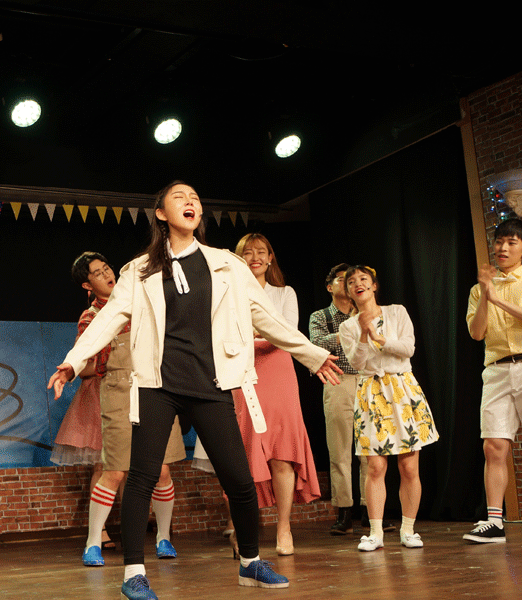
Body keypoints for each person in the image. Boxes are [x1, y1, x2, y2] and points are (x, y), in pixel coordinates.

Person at [48, 181, 342, 599]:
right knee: (142, 477)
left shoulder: (226, 264)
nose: (190, 202)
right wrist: (74, 361)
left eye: (196, 198)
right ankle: (134, 573)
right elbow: (109, 319)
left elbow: (266, 317)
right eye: (179, 198)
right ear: (161, 214)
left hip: (211, 382)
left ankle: (250, 563)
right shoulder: (139, 270)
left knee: (239, 479)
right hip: (158, 384)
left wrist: (311, 354)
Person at [54, 252, 185, 567]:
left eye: (107, 268)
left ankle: (163, 536)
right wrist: (78, 367)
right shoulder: (92, 317)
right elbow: (86, 362)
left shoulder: (140, 301)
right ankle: (93, 542)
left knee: (162, 469)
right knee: (113, 470)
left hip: (155, 388)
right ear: (88, 285)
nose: (107, 274)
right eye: (98, 273)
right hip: (116, 392)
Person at [229, 233, 321, 556]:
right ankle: (243, 530)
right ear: (238, 258)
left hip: (279, 372)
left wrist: (256, 331)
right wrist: (264, 330)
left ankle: (284, 528)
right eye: (247, 252)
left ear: (270, 258)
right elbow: (228, 334)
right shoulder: (229, 294)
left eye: (261, 252)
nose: (255, 257)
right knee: (244, 454)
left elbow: (288, 332)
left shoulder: (284, 293)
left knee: (282, 452)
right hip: (243, 373)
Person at [338, 265, 438, 551]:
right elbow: (356, 363)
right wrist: (363, 334)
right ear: (348, 292)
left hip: (402, 388)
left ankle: (408, 530)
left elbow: (408, 348)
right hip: (371, 391)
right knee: (375, 466)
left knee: (408, 466)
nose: (358, 284)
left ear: (374, 285)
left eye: (363, 279)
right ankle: (375, 533)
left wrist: (379, 338)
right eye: (352, 282)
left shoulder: (396, 312)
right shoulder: (348, 326)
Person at [465, 218, 522, 544]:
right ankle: (494, 521)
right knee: (493, 446)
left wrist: (498, 300)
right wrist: (485, 296)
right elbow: (477, 332)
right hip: (496, 369)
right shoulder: (478, 290)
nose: (503, 248)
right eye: (499, 242)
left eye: (511, 243)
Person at [309, 263, 369, 535]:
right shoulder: (320, 316)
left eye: (351, 280)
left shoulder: (366, 311)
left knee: (370, 449)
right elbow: (317, 343)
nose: (347, 284)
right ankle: (344, 512)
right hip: (338, 380)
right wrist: (352, 328)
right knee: (340, 450)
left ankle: (370, 510)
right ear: (329, 286)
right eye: (342, 279)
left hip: (367, 380)